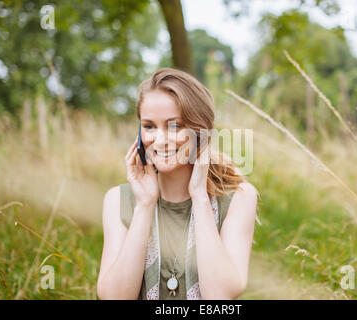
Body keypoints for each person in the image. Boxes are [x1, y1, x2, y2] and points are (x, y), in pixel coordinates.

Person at [97, 67, 258, 300]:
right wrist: (145, 205)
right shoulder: (118, 200)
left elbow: (219, 296)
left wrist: (200, 197)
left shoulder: (238, 197)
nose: (160, 140)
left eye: (175, 126)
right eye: (149, 126)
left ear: (200, 131)